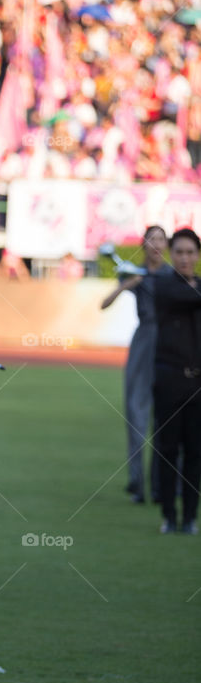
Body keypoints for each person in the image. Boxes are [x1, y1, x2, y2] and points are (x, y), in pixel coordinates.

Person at [100, 226, 169, 504]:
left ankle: (162, 485)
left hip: (169, 344)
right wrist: (127, 284)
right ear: (144, 244)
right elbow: (104, 304)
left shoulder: (173, 275)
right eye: (151, 239)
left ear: (166, 245)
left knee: (167, 420)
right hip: (143, 344)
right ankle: (137, 483)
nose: (156, 244)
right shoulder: (133, 273)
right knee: (136, 415)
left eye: (161, 239)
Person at [147, 228, 201, 534]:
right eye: (179, 251)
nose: (184, 257)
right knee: (168, 450)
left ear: (197, 255)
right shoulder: (164, 286)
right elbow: (187, 297)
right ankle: (168, 514)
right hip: (169, 380)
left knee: (195, 452)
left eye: (190, 252)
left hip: (198, 384)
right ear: (171, 253)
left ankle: (190, 517)